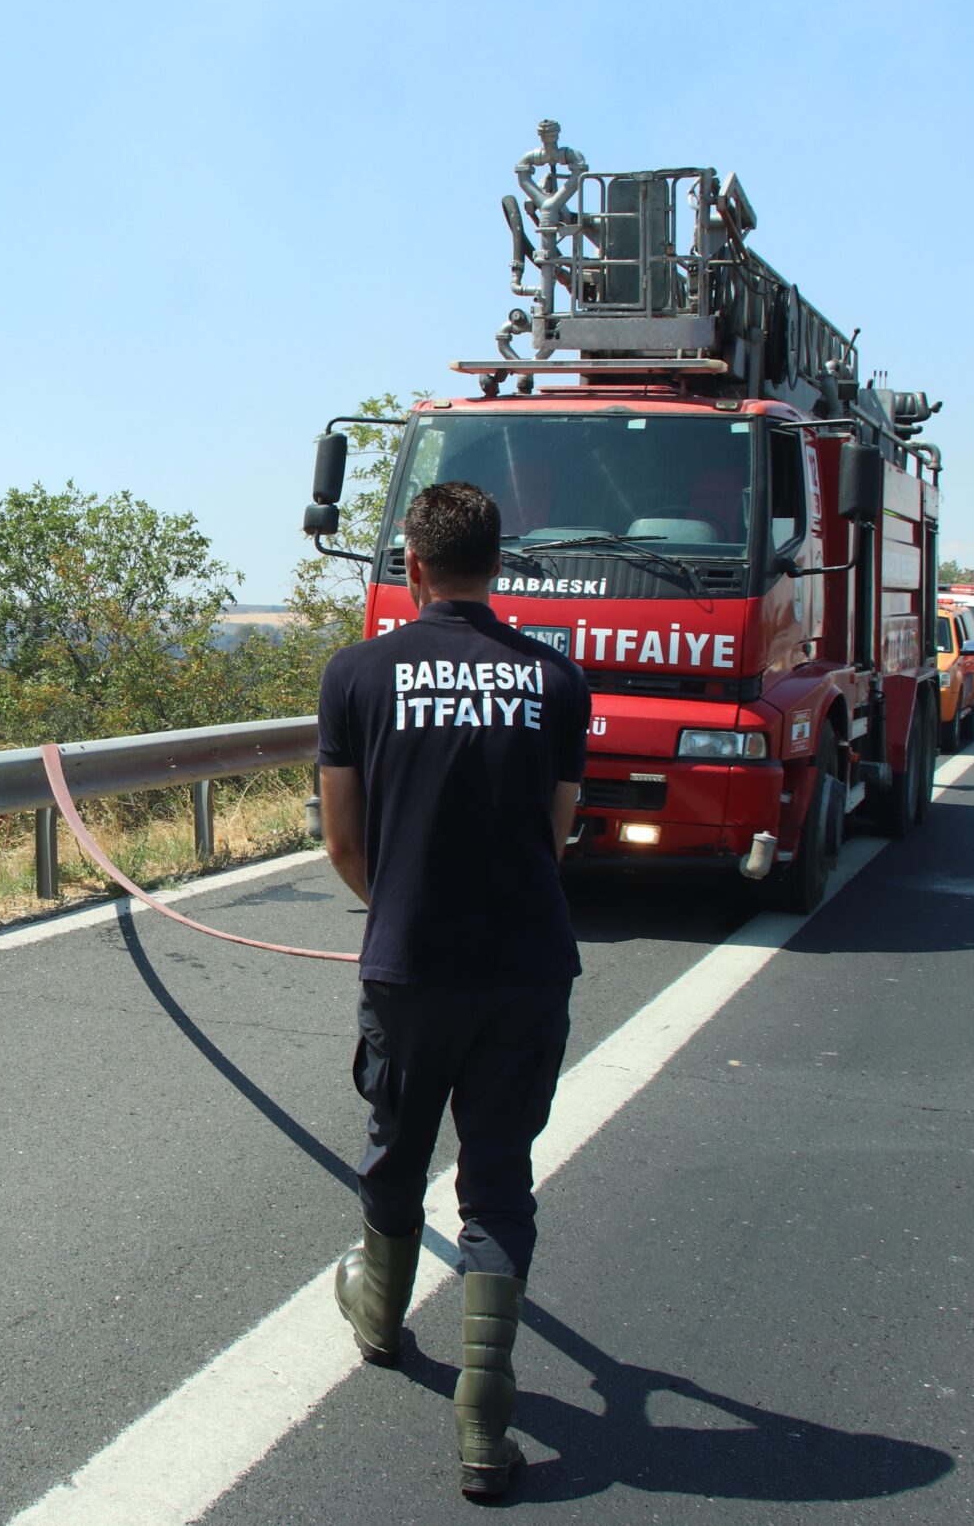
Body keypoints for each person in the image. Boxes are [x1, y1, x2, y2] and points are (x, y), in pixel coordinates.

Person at [316, 480, 590, 1500]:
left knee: (395, 1148)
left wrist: (389, 911)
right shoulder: (556, 683)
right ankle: (485, 1420)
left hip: (409, 965)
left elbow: (344, 839)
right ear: (498, 564)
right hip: (525, 967)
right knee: (498, 1181)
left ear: (414, 568)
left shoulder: (356, 674)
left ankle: (379, 1324)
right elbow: (553, 837)